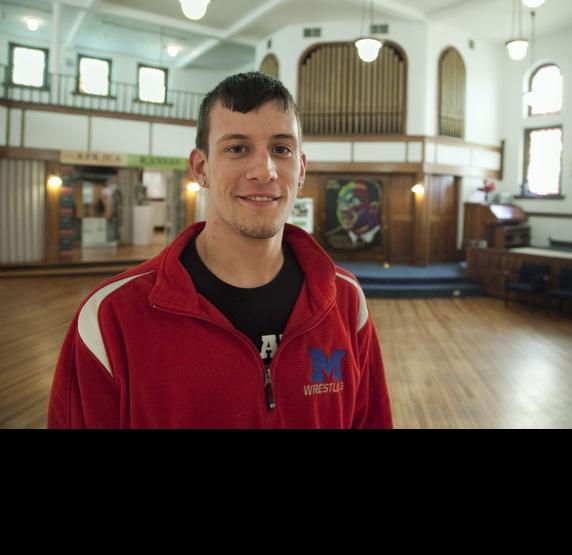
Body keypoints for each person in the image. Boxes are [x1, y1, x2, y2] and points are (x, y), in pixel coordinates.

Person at [47, 72, 393, 428]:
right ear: (201, 168)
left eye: (281, 149)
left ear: (301, 169)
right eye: (237, 148)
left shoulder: (346, 301)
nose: (265, 171)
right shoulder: (110, 317)